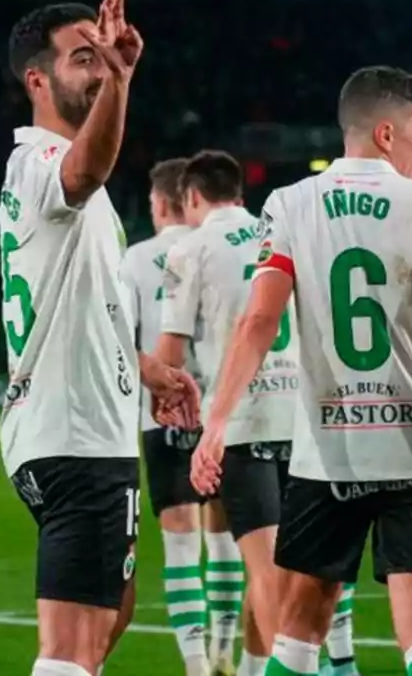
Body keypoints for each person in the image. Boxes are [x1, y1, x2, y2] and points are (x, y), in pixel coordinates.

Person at [192, 66, 412, 676]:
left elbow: (259, 321)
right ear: (384, 133)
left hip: (330, 451)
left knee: (299, 631)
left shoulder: (290, 203)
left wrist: (217, 422)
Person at [0, 0, 200, 676]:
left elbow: (76, 302)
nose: (96, 68)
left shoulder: (49, 176)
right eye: (81, 59)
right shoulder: (44, 166)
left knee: (114, 609)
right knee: (74, 647)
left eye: (100, 57)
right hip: (75, 432)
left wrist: (147, 368)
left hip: (73, 426)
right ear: (37, 80)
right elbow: (88, 168)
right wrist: (121, 75)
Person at [157, 149, 302, 676]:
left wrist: (173, 400)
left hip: (243, 422)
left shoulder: (191, 249)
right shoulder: (282, 232)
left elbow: (171, 356)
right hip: (304, 421)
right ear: (239, 192)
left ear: (191, 198)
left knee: (262, 572)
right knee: (295, 570)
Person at [119, 158, 245, 676]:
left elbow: (124, 342)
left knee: (179, 543)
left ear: (166, 201)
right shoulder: (224, 248)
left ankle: (195, 663)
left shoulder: (136, 259)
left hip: (167, 412)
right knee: (224, 539)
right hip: (223, 408)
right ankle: (224, 647)